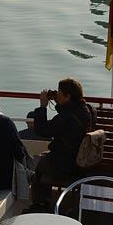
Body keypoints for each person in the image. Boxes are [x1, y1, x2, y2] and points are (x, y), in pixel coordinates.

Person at [26, 77, 96, 210]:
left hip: (67, 163)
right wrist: (59, 103)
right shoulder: (89, 110)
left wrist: (43, 106)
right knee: (45, 158)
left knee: (40, 166)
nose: (56, 95)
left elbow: (42, 130)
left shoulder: (65, 117)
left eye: (59, 93)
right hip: (85, 160)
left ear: (68, 96)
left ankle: (40, 205)